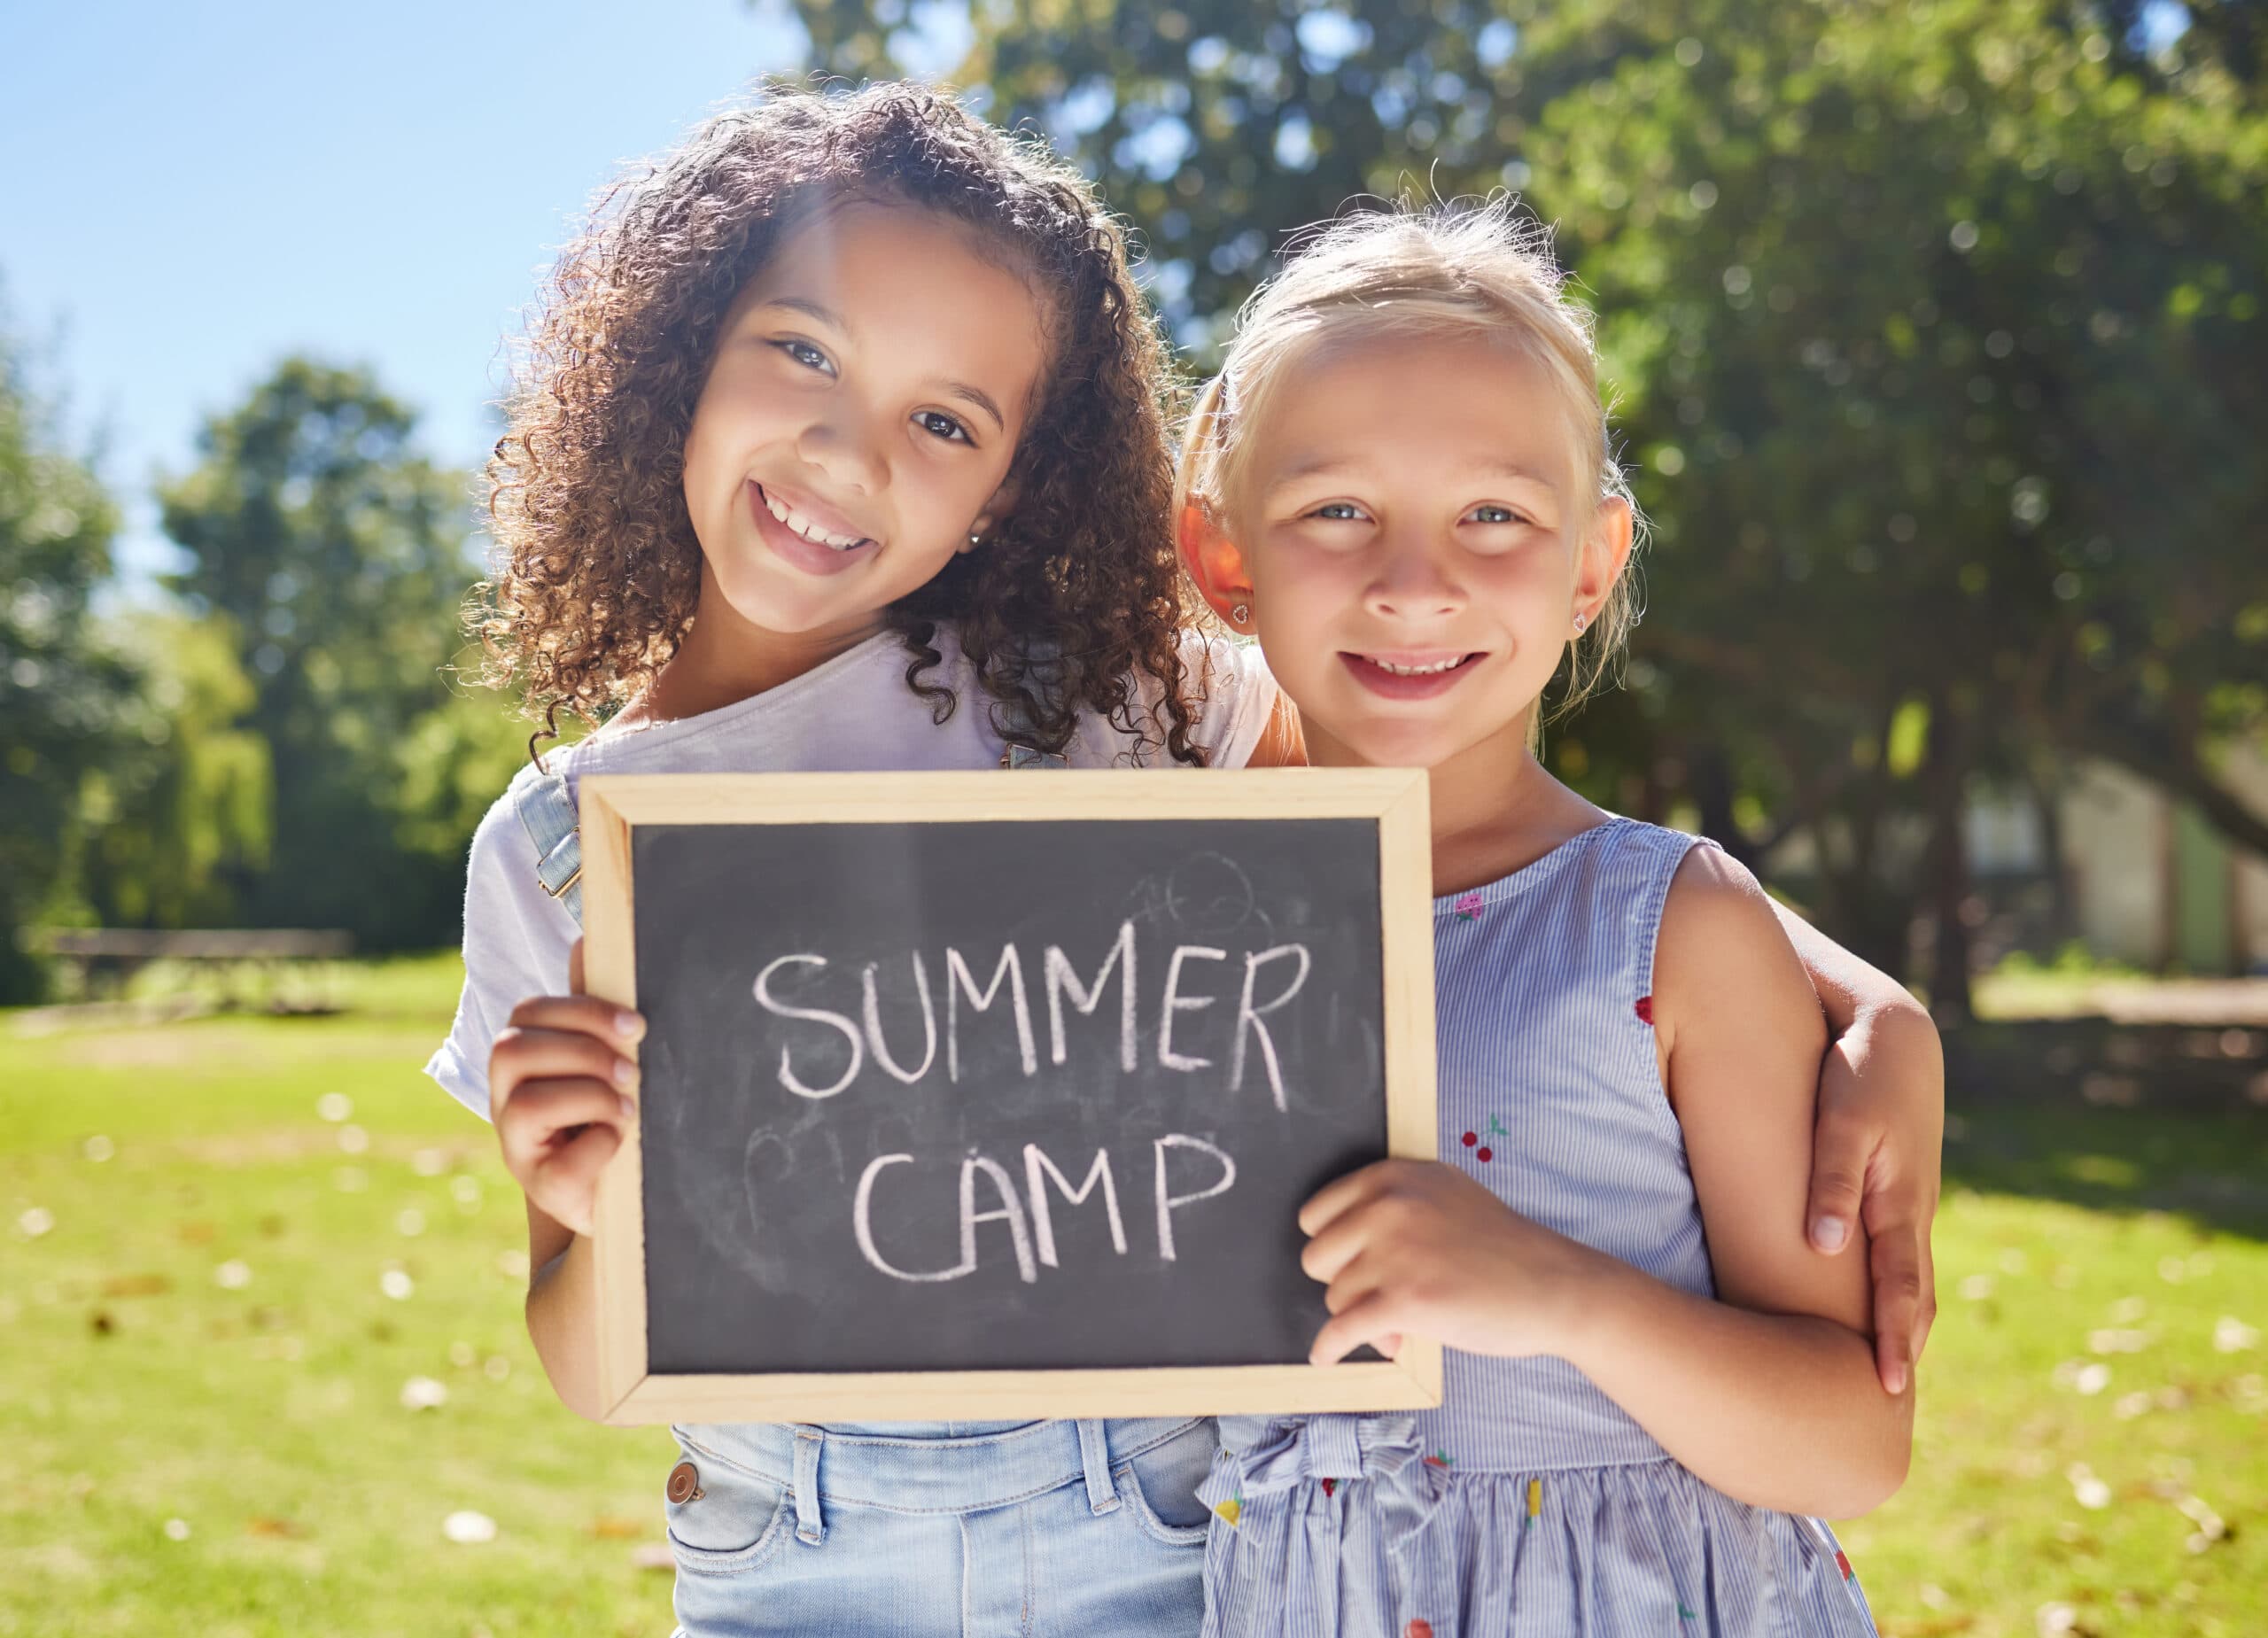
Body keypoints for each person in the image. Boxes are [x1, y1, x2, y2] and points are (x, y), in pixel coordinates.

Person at [427, 82, 1284, 1636]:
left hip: (1151, 1513)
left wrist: (1826, 979)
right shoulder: (555, 847)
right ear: (685, 343)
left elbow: (1444, 816)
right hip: (786, 1552)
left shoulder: (1105, 703)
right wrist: (594, 1196)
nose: (844, 449)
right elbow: (588, 1369)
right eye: (805, 351)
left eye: (943, 420)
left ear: (1006, 488)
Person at [1172, 200, 1922, 1636]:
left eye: (1495, 515)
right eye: (1336, 509)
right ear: (1224, 558)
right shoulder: (1164, 924)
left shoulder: (1669, 930)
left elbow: (1854, 1440)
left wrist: (1554, 1291)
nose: (1413, 582)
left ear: (1590, 564)